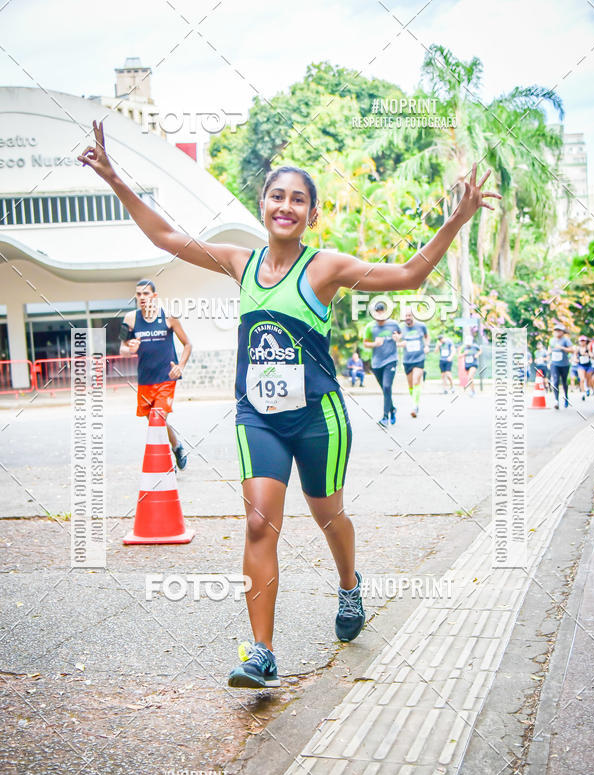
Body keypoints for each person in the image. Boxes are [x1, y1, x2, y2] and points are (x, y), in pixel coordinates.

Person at [78, 121, 500, 689]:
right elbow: (167, 237)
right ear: (263, 204)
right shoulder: (239, 261)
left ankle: (349, 585)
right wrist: (113, 177)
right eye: (277, 196)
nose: (286, 206)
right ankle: (262, 653)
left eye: (298, 199)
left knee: (329, 516)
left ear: (311, 214)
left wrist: (457, 219)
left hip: (318, 417)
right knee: (259, 523)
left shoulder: (325, 268)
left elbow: (408, 276)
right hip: (258, 418)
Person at [119, 280, 191, 470]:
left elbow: (188, 344)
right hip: (145, 380)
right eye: (138, 294)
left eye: (146, 293)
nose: (142, 297)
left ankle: (167, 465)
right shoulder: (130, 319)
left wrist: (181, 366)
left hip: (166, 378)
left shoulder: (169, 317)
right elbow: (122, 349)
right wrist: (130, 348)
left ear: (154, 296)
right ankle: (177, 446)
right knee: (156, 421)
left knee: (157, 419)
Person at [363, 301, 401, 426]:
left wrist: (397, 338)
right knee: (385, 390)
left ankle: (385, 417)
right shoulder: (370, 327)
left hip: (391, 360)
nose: (379, 316)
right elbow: (365, 343)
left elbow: (400, 335)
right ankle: (392, 409)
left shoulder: (394, 324)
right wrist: (375, 344)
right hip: (377, 363)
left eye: (381, 313)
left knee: (387, 387)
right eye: (377, 314)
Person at [397, 308, 429, 417]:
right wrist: (400, 344)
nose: (407, 318)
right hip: (407, 360)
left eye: (409, 315)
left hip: (419, 358)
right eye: (406, 316)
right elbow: (396, 341)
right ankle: (415, 401)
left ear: (413, 316)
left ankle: (415, 406)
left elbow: (427, 337)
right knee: (410, 385)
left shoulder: (421, 326)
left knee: (416, 381)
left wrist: (426, 346)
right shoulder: (400, 328)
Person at [548, 323, 575, 409]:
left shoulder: (566, 340)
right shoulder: (551, 340)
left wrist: (562, 348)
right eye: (556, 330)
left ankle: (566, 397)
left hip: (564, 364)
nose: (557, 332)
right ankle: (556, 401)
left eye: (559, 330)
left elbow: (572, 350)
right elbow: (549, 348)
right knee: (555, 380)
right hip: (554, 364)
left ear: (562, 332)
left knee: (564, 382)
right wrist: (548, 355)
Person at [574, 334, 592, 400]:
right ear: (579, 342)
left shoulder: (588, 347)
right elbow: (575, 356)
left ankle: (587, 388)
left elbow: (591, 354)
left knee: (588, 379)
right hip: (581, 365)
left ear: (586, 341)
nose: (582, 342)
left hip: (588, 365)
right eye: (581, 341)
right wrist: (575, 359)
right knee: (582, 379)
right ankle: (582, 393)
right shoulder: (577, 349)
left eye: (583, 341)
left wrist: (588, 354)